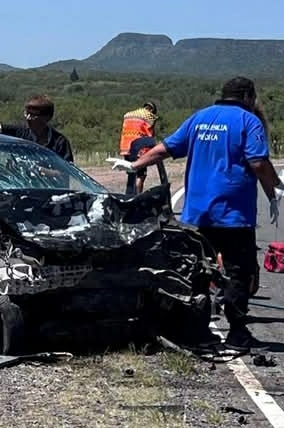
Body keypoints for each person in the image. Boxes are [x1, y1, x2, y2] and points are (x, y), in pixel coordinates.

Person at [107, 76, 284, 353]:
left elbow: (166, 148)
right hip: (233, 212)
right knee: (240, 271)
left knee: (198, 270)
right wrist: (274, 190)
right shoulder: (249, 121)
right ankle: (237, 332)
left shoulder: (200, 118)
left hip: (198, 210)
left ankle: (195, 329)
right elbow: (259, 162)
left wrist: (135, 164)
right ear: (248, 97)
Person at [0, 94, 74, 163]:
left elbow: (69, 172)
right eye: (26, 114)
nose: (28, 118)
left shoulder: (60, 142)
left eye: (33, 115)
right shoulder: (19, 132)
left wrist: (40, 171)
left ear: (47, 117)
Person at [119, 101, 159, 193]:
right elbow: (150, 136)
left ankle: (128, 195)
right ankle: (138, 197)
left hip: (125, 148)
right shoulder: (149, 116)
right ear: (151, 109)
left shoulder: (129, 114)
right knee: (141, 175)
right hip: (137, 148)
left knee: (131, 173)